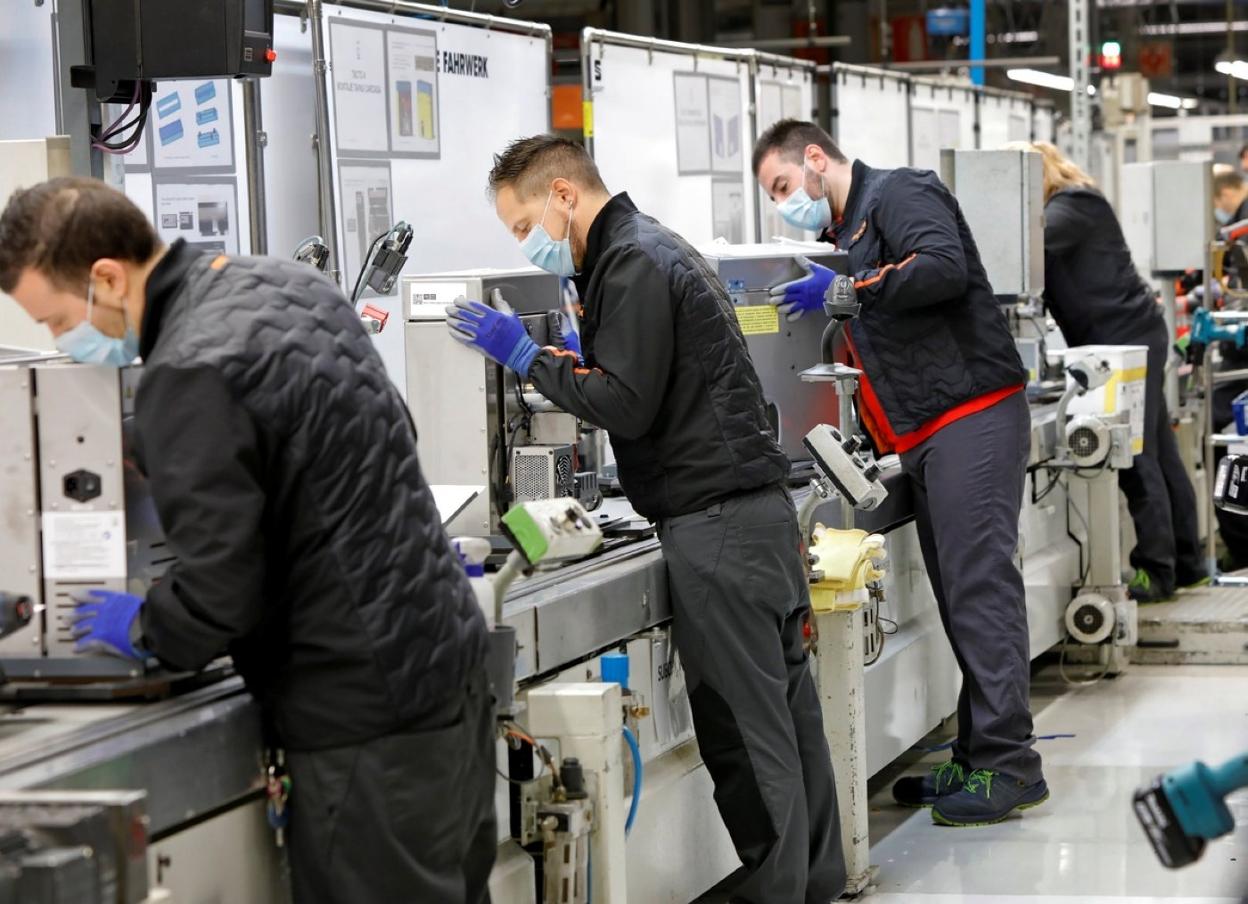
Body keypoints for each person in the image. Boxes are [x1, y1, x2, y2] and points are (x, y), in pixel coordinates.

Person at [0, 177, 495, 904]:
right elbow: (368, 438)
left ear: (105, 277)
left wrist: (143, 626)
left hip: (359, 712)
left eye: (53, 319)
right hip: (445, 661)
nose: (57, 340)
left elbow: (220, 593)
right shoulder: (287, 284)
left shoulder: (187, 367)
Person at [448, 135, 845, 904]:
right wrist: (573, 355)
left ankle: (777, 891)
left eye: (523, 223)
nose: (527, 245)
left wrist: (530, 358)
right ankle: (812, 881)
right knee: (790, 719)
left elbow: (626, 403)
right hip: (756, 518)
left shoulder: (628, 264)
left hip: (718, 528)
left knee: (741, 728)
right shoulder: (655, 247)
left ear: (564, 197)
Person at [753, 119, 1048, 827]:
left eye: (785, 185)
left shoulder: (898, 192)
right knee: (958, 595)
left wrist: (849, 287)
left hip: (970, 414)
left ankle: (1011, 764)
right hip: (928, 432)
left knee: (979, 588)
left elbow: (941, 267)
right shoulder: (850, 232)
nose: (785, 203)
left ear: (816, 158)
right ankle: (978, 754)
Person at [1022, 141, 1207, 601]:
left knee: (1136, 457)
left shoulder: (1074, 204)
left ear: (1037, 173)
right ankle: (1187, 563)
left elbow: (1026, 248)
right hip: (1127, 335)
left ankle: (1157, 572)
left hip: (1123, 340)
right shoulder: (1074, 204)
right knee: (1161, 453)